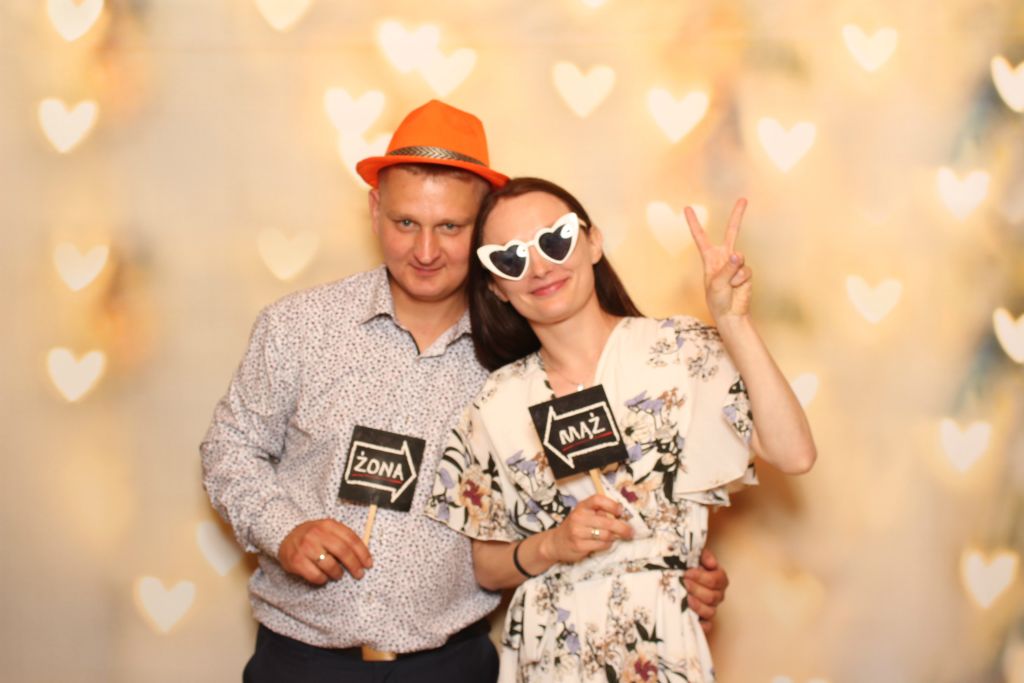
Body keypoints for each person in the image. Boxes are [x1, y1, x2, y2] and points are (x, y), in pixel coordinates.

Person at [200, 101, 731, 683]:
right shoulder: (300, 327)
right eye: (406, 223)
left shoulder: (526, 362)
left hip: (453, 666)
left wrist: (669, 575)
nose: (426, 252)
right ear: (375, 210)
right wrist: (284, 529)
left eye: (450, 227)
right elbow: (230, 447)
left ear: (483, 231)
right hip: (302, 661)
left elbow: (614, 487)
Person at [426, 177, 817, 682]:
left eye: (555, 240)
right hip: (550, 651)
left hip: (660, 640)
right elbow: (485, 565)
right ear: (496, 286)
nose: (539, 267)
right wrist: (554, 544)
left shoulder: (680, 351)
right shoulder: (496, 402)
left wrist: (734, 322)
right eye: (510, 258)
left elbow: (794, 453)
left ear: (593, 242)